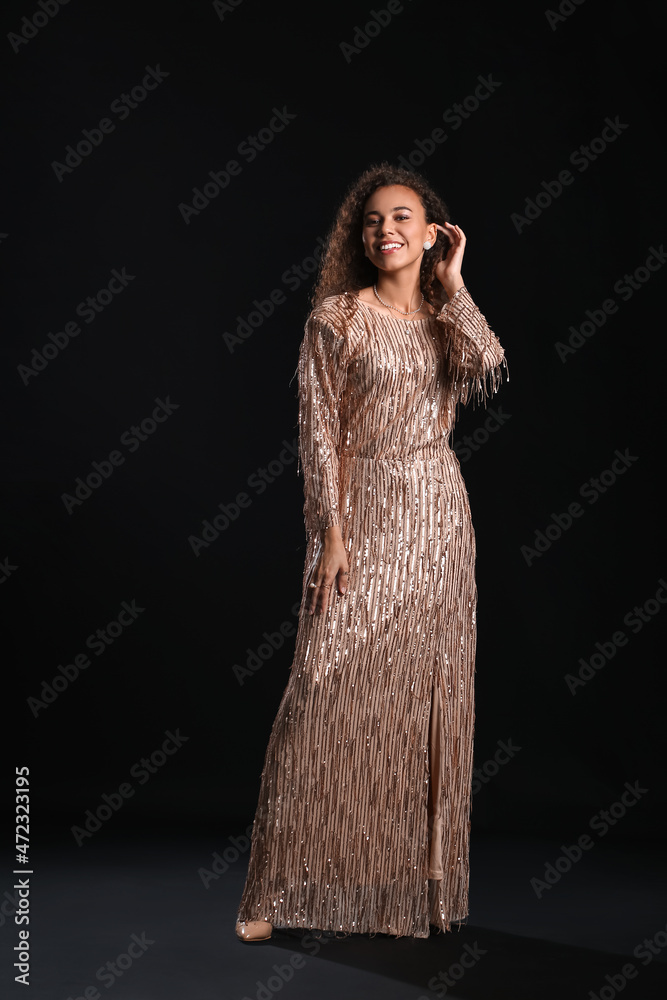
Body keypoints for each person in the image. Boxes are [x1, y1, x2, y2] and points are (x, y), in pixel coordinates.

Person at [235, 162, 508, 941]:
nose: (383, 231)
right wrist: (331, 536)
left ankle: (406, 888)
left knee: (425, 697)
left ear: (430, 234)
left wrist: (454, 286)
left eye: (400, 219)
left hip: (440, 520)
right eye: (371, 222)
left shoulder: (443, 313)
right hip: (365, 512)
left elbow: (488, 369)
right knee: (320, 693)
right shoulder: (337, 320)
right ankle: (269, 893)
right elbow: (318, 437)